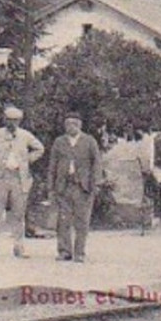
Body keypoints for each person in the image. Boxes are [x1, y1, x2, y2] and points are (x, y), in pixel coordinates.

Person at [0, 105, 44, 258]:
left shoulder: (25, 135)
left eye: (15, 120)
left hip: (18, 177)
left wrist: (26, 161)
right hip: (0, 177)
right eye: (9, 120)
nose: (12, 123)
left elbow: (39, 149)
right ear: (4, 119)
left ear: (20, 121)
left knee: (18, 214)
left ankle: (18, 247)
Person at [47, 112, 102, 262]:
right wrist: (51, 186)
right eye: (68, 124)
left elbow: (97, 163)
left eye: (74, 124)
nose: (71, 127)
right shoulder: (59, 142)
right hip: (63, 187)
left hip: (83, 187)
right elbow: (52, 165)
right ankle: (64, 251)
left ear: (80, 125)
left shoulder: (89, 141)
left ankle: (79, 253)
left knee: (82, 221)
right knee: (63, 221)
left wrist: (96, 183)